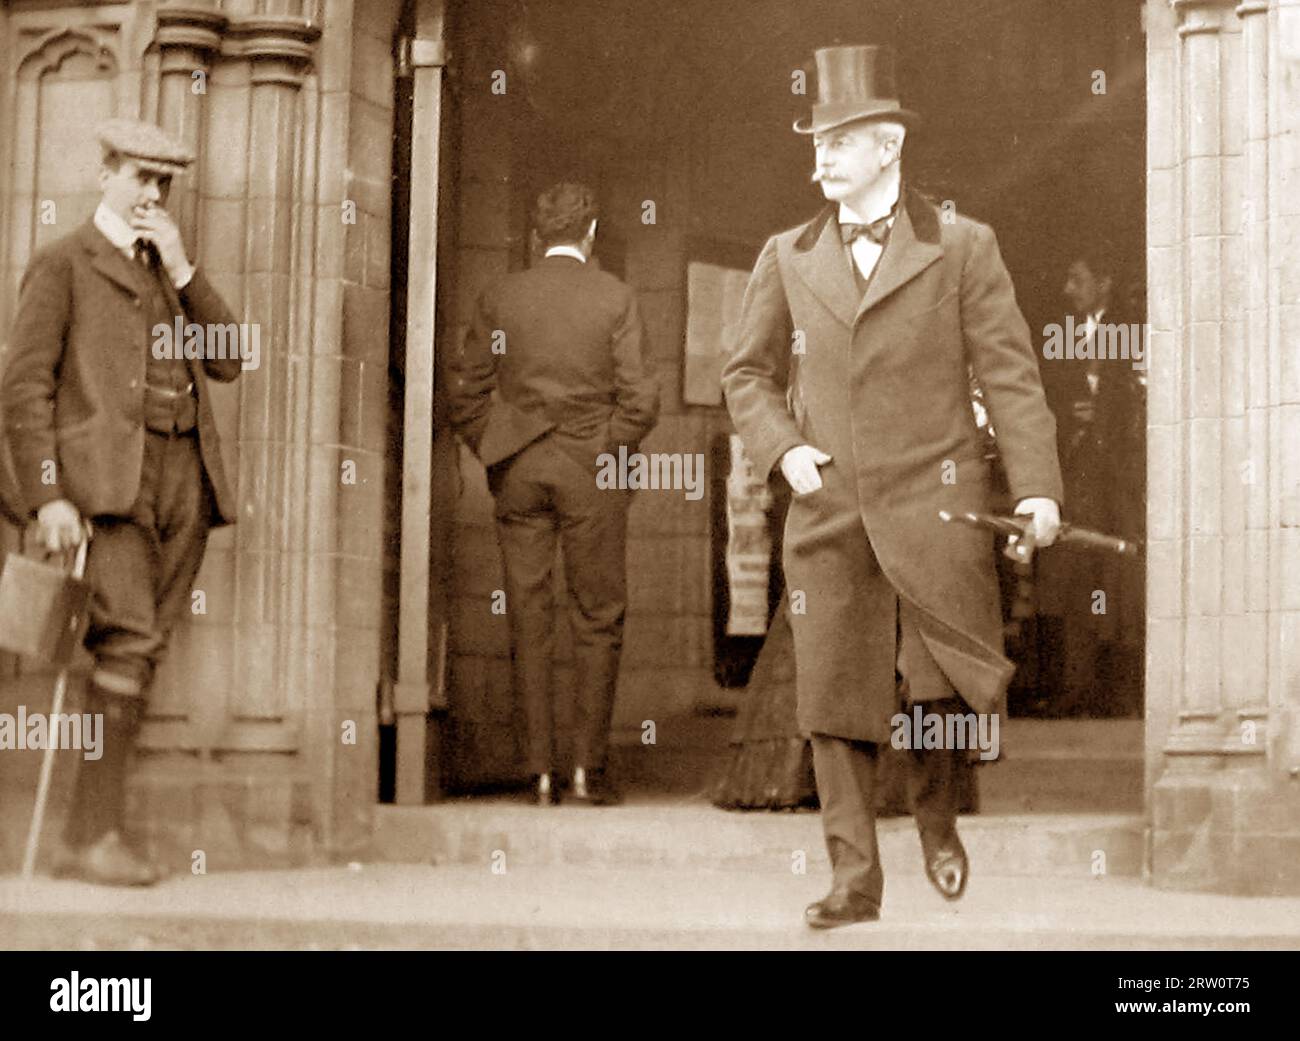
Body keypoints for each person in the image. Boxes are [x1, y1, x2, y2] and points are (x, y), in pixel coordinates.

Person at [721, 45, 1063, 928]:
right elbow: (746, 374)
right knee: (833, 690)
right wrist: (783, 448)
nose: (819, 160)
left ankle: (939, 824)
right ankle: (852, 879)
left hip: (937, 503)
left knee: (939, 677)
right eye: (816, 144)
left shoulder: (963, 246)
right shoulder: (787, 256)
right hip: (831, 505)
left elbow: (1013, 375)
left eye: (837, 142)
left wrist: (1037, 491)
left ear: (888, 149)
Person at [1, 117, 244, 885]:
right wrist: (46, 497)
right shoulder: (63, 261)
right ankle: (91, 835)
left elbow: (233, 358)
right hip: (105, 489)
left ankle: (91, 833)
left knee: (141, 651)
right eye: (140, 177)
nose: (152, 194)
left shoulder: (164, 268)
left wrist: (182, 267)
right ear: (104, 172)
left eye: (163, 182)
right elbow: (24, 386)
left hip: (184, 484)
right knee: (127, 644)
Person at [450, 183, 659, 807]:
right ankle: (587, 772)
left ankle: (538, 773)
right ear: (590, 234)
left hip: (520, 471)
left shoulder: (500, 297)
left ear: (538, 236)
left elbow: (465, 390)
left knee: (528, 618)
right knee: (597, 619)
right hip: (591, 472)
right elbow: (641, 400)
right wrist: (604, 452)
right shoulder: (615, 297)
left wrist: (498, 446)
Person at [1037, 252, 1146, 715]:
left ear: (1104, 282)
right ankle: (1077, 689)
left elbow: (1139, 398)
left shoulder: (1135, 330)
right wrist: (1072, 421)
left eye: (1077, 279)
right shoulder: (1059, 337)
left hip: (1118, 478)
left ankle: (1123, 694)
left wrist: (1102, 419)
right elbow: (1044, 397)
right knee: (1075, 579)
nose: (1068, 288)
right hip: (1076, 476)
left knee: (1119, 579)